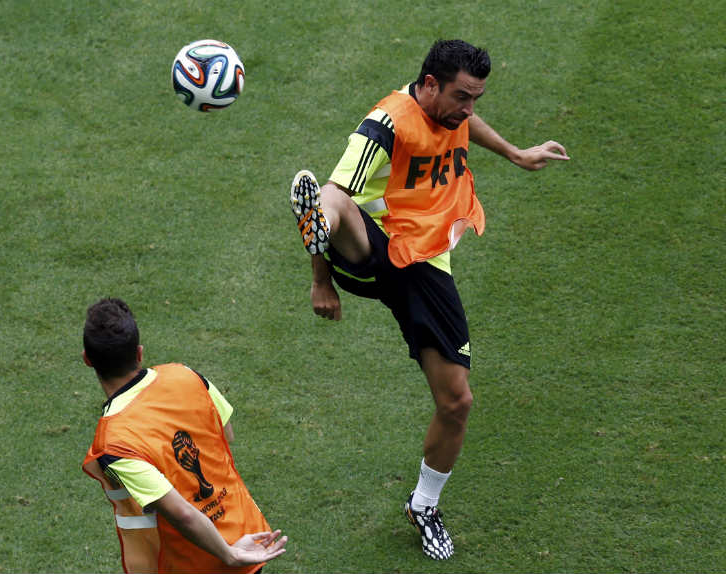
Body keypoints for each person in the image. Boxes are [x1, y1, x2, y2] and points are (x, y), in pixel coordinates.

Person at [289, 39, 568, 560]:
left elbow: (464, 126)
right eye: (463, 96)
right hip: (372, 249)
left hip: (425, 266)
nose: (469, 109)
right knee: (334, 199)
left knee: (457, 401)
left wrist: (515, 152)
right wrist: (320, 283)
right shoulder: (385, 124)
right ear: (430, 84)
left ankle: (424, 505)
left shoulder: (452, 112)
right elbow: (339, 185)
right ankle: (319, 229)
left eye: (476, 98)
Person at [81, 298, 287, 573]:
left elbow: (180, 513)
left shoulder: (114, 442)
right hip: (249, 538)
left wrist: (229, 555)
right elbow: (226, 434)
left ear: (87, 359)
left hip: (203, 562)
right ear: (139, 353)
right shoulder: (186, 375)